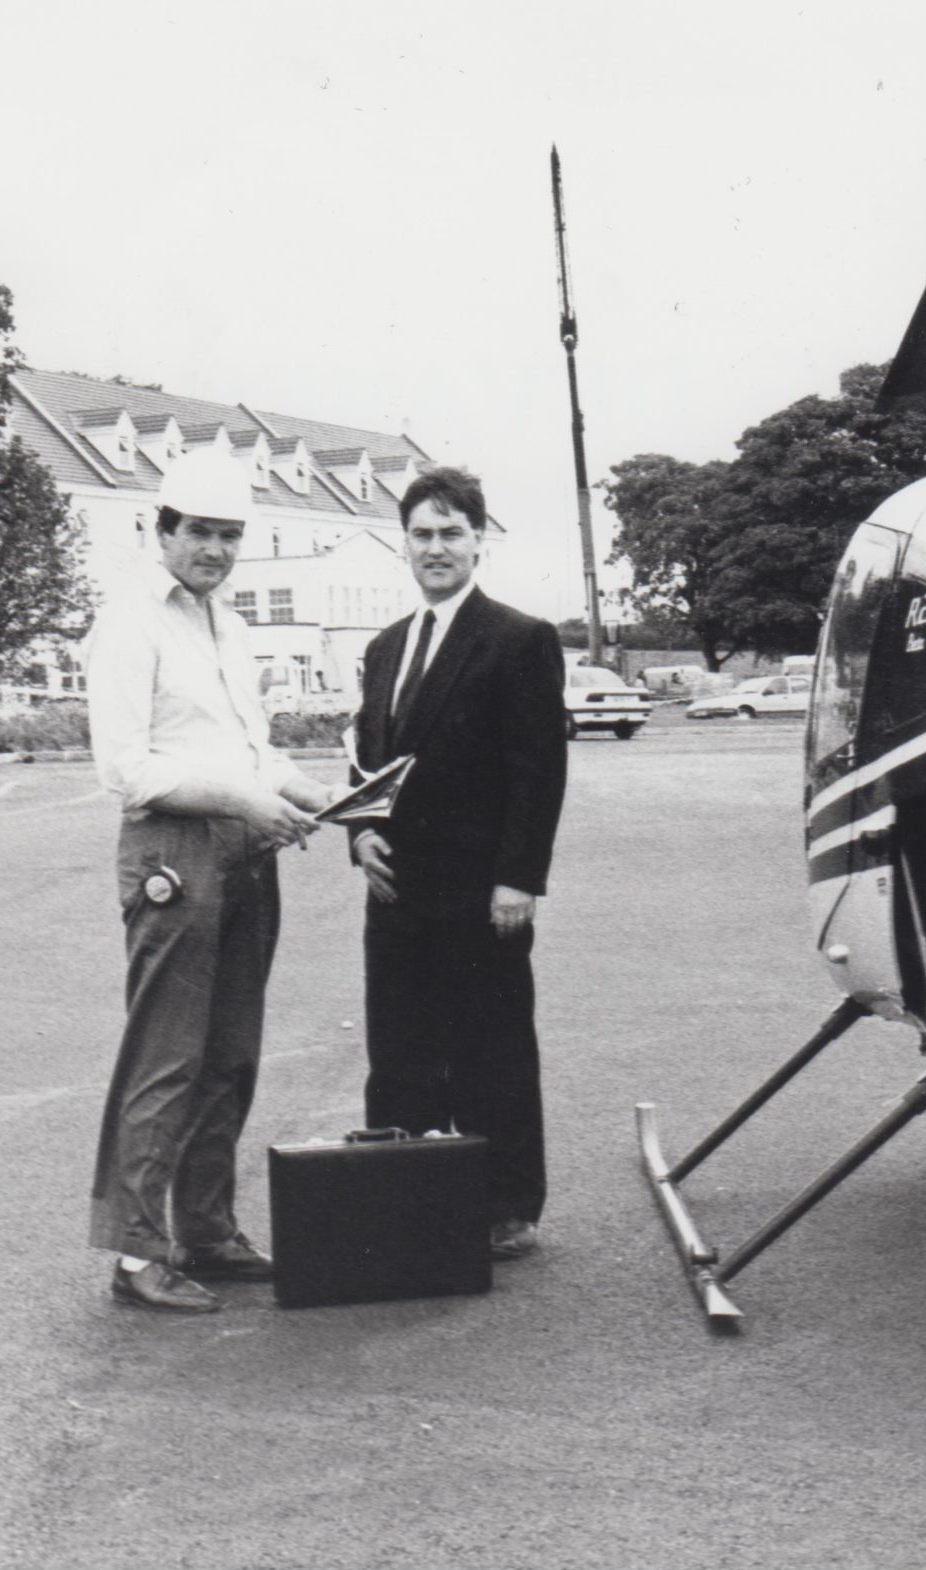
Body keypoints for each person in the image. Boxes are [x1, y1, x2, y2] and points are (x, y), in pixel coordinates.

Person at [85, 447, 340, 1315]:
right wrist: (244, 799)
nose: (215, 552)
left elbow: (256, 751)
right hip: (174, 847)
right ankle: (136, 1254)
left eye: (230, 537)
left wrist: (323, 797)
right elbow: (129, 768)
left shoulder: (225, 625)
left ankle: (206, 1231)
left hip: (245, 842)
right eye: (200, 533)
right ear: (162, 531)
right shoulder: (130, 623)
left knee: (229, 1053)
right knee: (167, 1056)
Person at [348, 466, 568, 1261]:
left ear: (480, 542)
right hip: (397, 892)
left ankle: (508, 1204)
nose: (435, 548)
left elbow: (538, 772)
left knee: (493, 1050)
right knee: (399, 1051)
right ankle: (404, 1193)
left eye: (451, 533)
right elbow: (367, 763)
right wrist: (359, 836)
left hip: (483, 895)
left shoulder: (519, 639)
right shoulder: (383, 649)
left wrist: (519, 879)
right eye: (421, 534)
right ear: (403, 544)